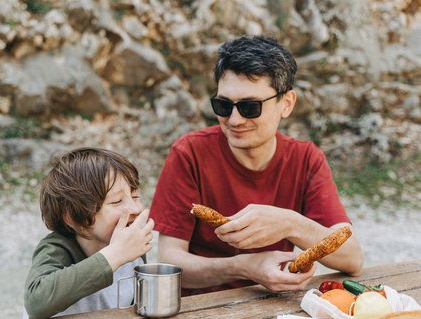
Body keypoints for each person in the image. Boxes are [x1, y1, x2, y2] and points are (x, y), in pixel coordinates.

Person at [149, 35, 364, 296]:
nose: (235, 120)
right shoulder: (189, 154)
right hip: (203, 309)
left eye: (250, 107)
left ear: (286, 104)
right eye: (224, 105)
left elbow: (352, 259)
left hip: (275, 307)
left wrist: (291, 224)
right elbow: (169, 262)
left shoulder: (307, 160)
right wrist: (244, 267)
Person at [23, 147, 154, 319]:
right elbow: (36, 302)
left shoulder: (133, 248)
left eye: (135, 196)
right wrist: (115, 255)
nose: (136, 208)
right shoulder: (57, 248)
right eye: (116, 201)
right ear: (76, 219)